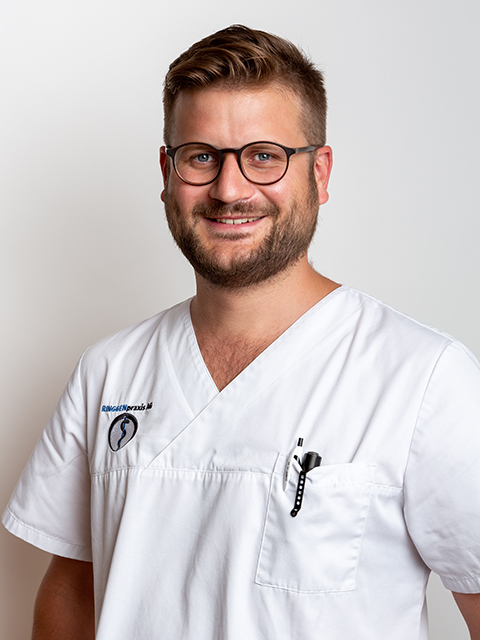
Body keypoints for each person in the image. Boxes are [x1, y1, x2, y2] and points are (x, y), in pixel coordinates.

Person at [3, 24, 480, 640]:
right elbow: (72, 589)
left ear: (320, 173)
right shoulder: (109, 372)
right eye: (201, 156)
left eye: (264, 156)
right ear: (167, 172)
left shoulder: (423, 378)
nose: (229, 190)